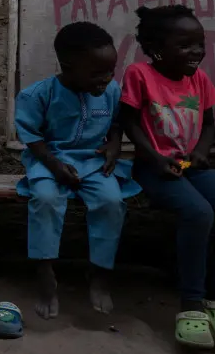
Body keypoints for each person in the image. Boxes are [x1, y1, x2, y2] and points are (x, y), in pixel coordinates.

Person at [118, 4, 215, 350]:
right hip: (155, 167)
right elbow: (127, 121)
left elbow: (210, 124)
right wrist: (154, 157)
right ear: (157, 49)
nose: (196, 52)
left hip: (191, 165)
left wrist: (201, 151)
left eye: (199, 44)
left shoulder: (198, 79)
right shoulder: (139, 75)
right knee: (198, 213)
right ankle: (191, 307)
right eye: (185, 45)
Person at [14, 21, 138, 320]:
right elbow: (31, 136)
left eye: (111, 71)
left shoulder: (110, 90)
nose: (106, 79)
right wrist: (54, 165)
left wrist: (114, 143)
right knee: (44, 199)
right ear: (68, 67)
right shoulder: (38, 95)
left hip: (94, 162)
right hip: (50, 160)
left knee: (111, 202)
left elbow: (119, 121)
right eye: (97, 73)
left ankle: (100, 274)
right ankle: (44, 272)